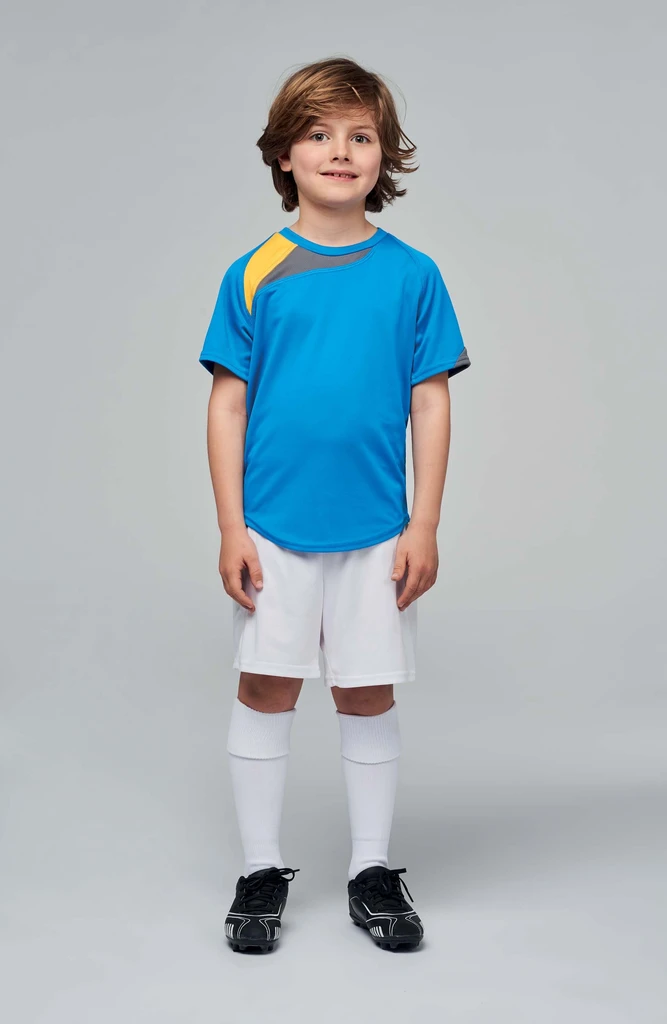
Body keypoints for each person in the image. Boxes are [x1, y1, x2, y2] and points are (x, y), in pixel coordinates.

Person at [199, 56, 471, 954]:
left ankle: (370, 871)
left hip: (377, 530)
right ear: (284, 154)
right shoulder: (254, 272)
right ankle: (259, 871)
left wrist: (424, 523)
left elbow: (430, 400)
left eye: (360, 136)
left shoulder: (412, 275)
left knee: (365, 690)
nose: (340, 151)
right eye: (318, 134)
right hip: (273, 528)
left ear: (384, 155)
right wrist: (231, 527)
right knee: (265, 686)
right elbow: (227, 404)